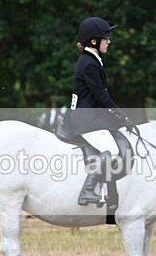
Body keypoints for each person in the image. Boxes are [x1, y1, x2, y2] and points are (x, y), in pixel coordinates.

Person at [55, 16, 136, 206]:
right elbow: (102, 98)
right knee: (109, 149)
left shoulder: (92, 59)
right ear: (94, 41)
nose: (109, 41)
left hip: (89, 116)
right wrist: (124, 118)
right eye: (105, 38)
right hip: (85, 120)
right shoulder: (89, 63)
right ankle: (87, 191)